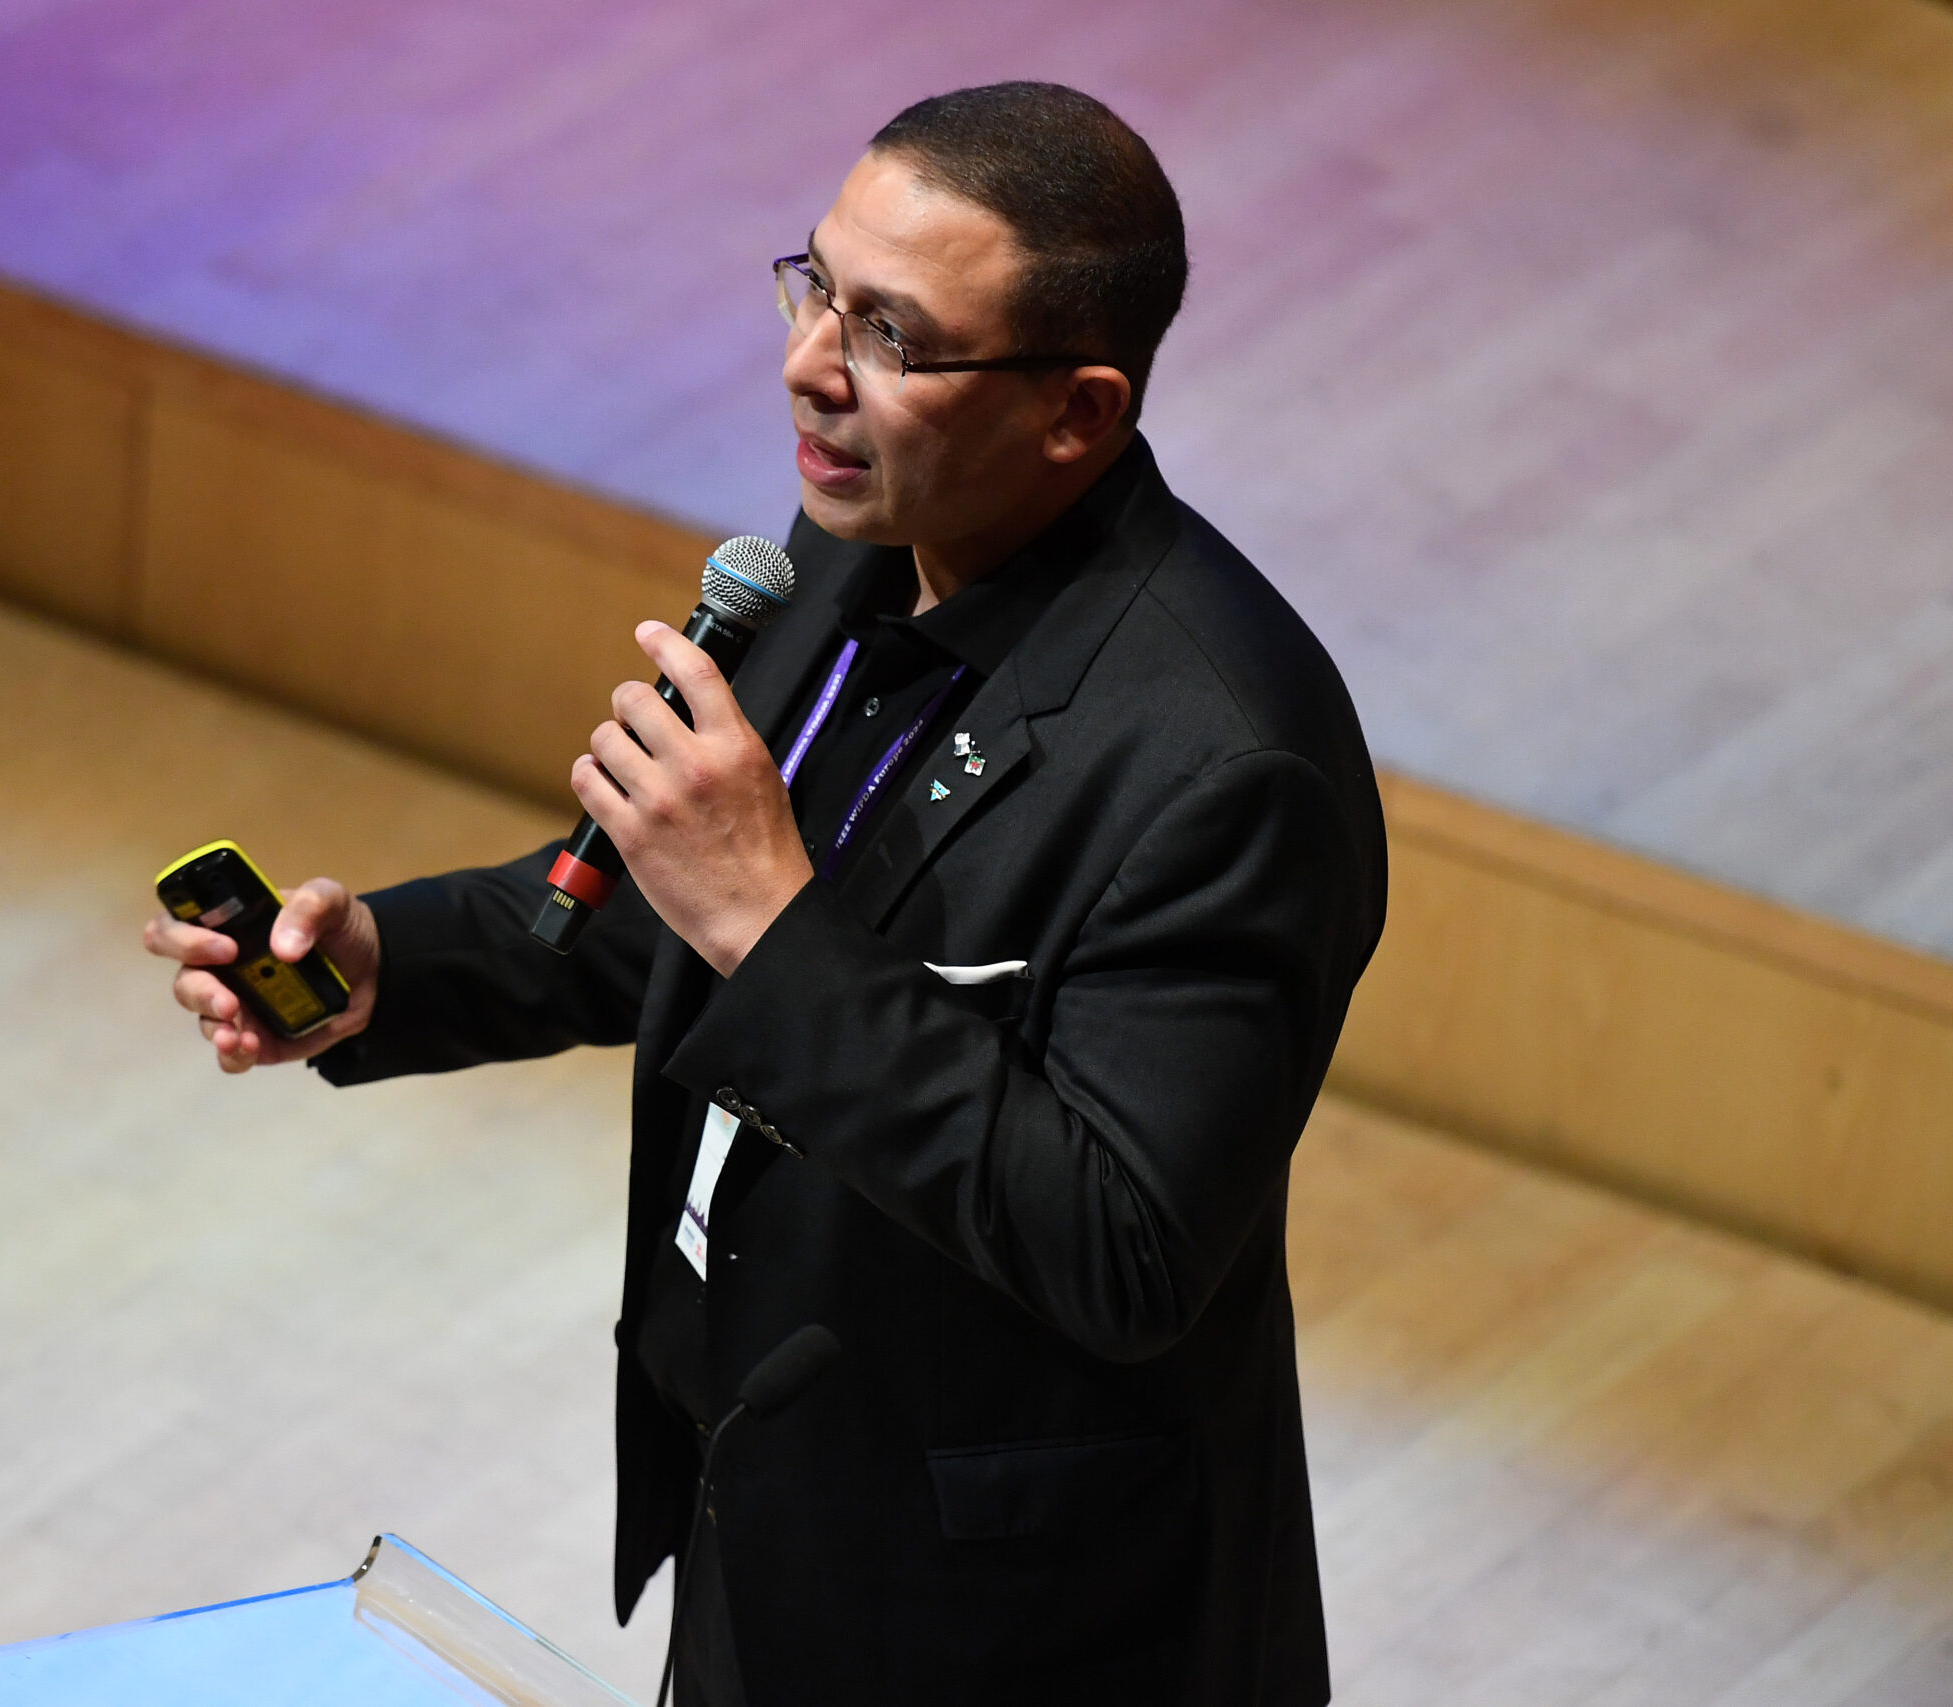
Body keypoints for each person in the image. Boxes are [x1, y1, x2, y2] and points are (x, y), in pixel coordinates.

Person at [145, 82, 1385, 1707]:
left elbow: (1127, 1245)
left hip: (1025, 1626)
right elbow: (676, 903)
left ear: (1077, 414)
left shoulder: (1230, 766)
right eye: (815, 288)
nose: (813, 366)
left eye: (894, 335)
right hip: (777, 1496)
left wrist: (769, 923)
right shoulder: (838, 570)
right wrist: (394, 962)